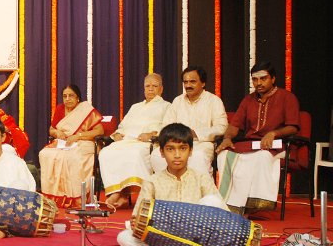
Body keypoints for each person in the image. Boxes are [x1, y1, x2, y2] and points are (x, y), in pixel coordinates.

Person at [118, 123, 229, 246]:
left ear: (190, 151)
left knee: (213, 201)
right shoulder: (152, 181)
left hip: (197, 240)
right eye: (170, 149)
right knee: (124, 237)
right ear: (162, 152)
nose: (177, 155)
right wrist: (137, 223)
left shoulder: (201, 178)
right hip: (164, 240)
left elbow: (223, 213)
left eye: (182, 148)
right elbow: (137, 218)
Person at [216, 61, 300, 216]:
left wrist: (274, 133)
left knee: (262, 156)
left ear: (273, 79)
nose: (258, 83)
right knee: (224, 154)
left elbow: (293, 127)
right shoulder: (248, 100)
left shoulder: (287, 97)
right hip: (252, 144)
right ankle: (232, 203)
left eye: (263, 78)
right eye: (255, 79)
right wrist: (227, 138)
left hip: (278, 145)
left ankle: (255, 203)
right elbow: (235, 125)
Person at [99, 73, 170, 209]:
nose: (150, 89)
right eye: (147, 86)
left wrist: (150, 134)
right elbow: (122, 126)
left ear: (161, 89)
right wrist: (118, 134)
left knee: (134, 153)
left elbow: (167, 127)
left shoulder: (166, 106)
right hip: (126, 140)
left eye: (154, 86)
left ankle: (124, 193)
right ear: (143, 89)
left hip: (146, 143)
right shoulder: (135, 106)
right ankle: (116, 191)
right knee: (105, 153)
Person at [152, 65, 227, 174]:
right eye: (185, 82)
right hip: (176, 143)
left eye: (192, 82)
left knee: (197, 157)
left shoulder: (214, 101)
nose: (188, 85)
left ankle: (198, 190)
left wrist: (196, 134)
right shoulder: (177, 101)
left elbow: (222, 127)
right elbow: (166, 125)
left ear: (203, 83)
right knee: (157, 155)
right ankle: (169, 189)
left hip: (201, 144)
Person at [38, 84, 104, 207]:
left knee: (71, 157)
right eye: (65, 96)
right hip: (64, 143)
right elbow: (51, 129)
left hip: (84, 141)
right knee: (45, 154)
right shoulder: (60, 109)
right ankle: (53, 196)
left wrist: (78, 136)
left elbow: (99, 131)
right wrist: (57, 132)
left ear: (77, 97)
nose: (67, 99)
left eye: (71, 96)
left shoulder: (86, 110)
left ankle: (76, 198)